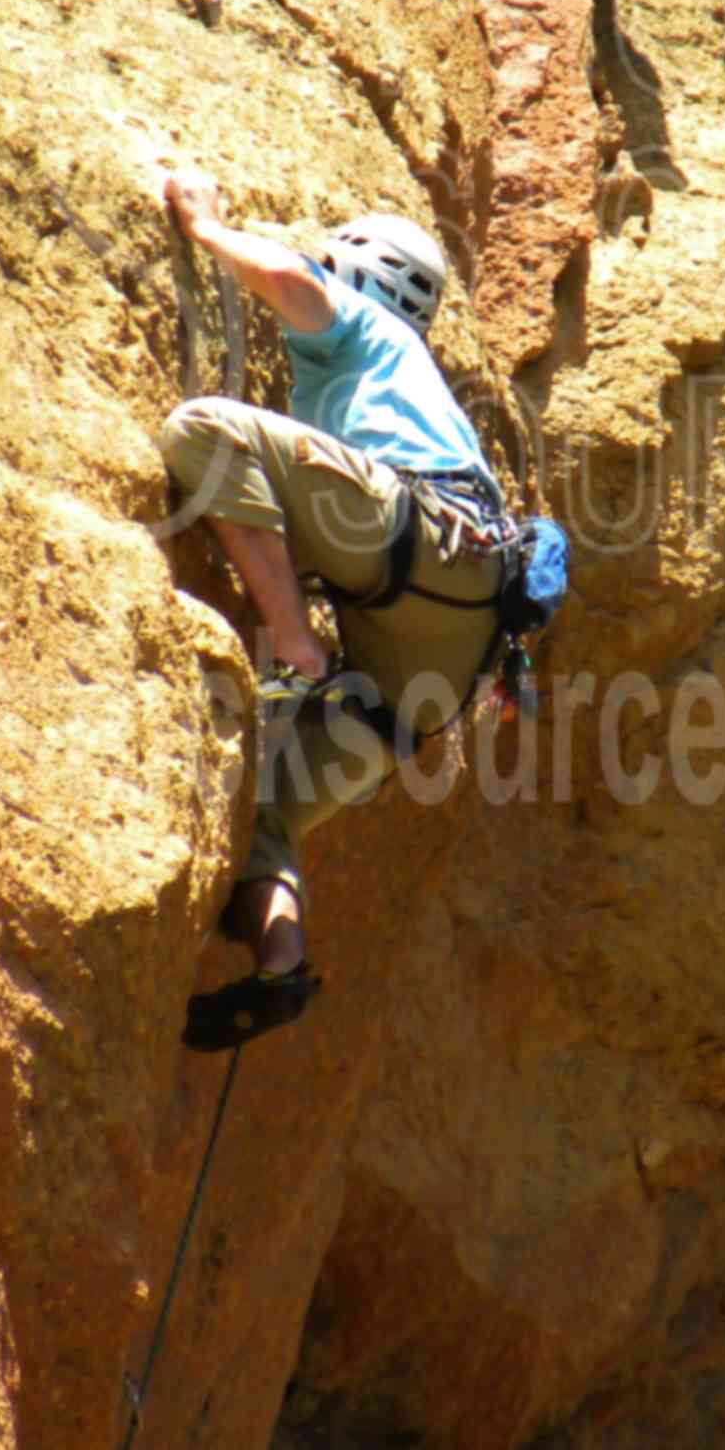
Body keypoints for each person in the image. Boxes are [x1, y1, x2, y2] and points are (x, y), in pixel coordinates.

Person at [160, 167, 511, 1052]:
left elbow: (293, 286)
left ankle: (293, 650)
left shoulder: (369, 330)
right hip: (434, 669)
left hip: (411, 536)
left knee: (204, 431)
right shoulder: (422, 389)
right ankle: (281, 968)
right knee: (263, 812)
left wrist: (205, 229)